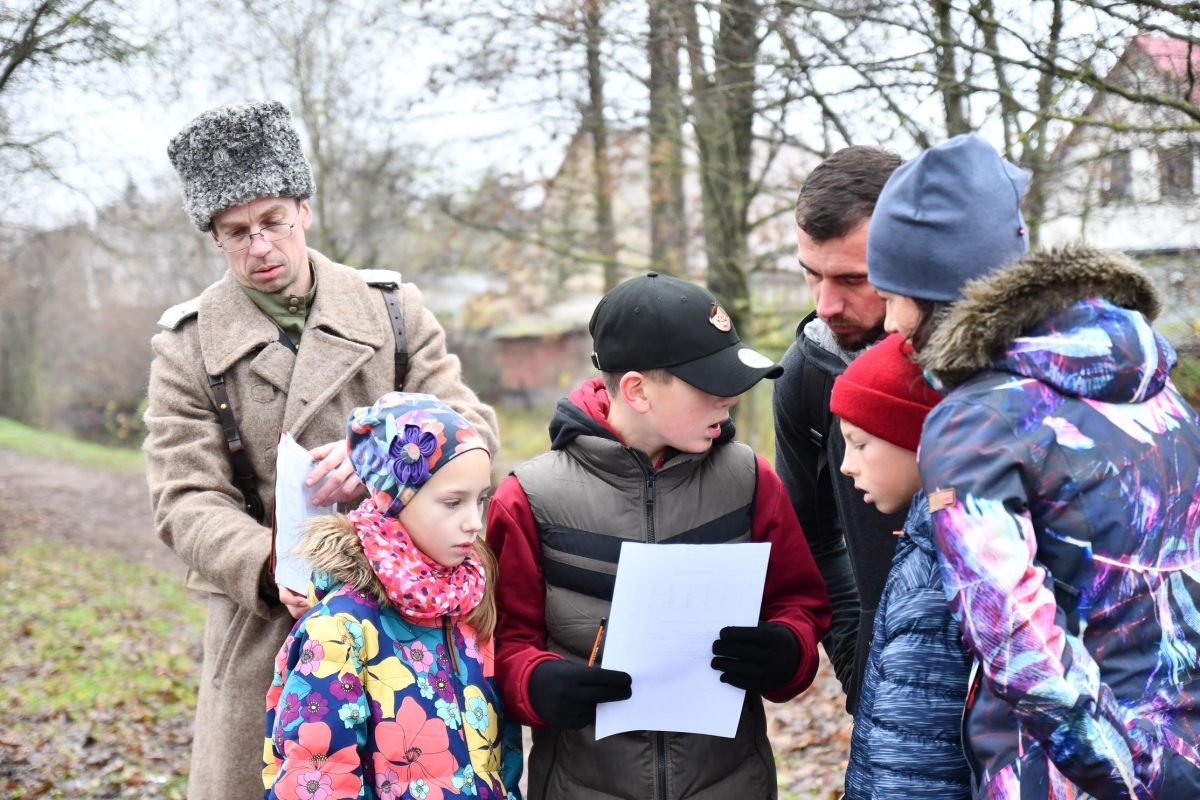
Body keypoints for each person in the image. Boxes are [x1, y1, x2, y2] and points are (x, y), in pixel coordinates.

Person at [143, 101, 498, 800]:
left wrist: (380, 456)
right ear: (214, 239)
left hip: (410, 628)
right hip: (270, 624)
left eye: (272, 222)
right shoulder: (187, 347)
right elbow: (184, 497)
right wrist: (264, 561)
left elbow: (470, 425)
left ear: (304, 210)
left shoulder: (393, 311)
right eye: (235, 232)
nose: (260, 247)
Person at [868, 132, 1200, 798]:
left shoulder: (976, 423)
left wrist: (1126, 772)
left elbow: (1018, 644)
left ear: (933, 291)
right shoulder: (1160, 393)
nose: (886, 323)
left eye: (890, 294)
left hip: (1075, 778)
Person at [488, 272, 831, 799]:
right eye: (710, 384)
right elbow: (499, 643)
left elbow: (799, 604)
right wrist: (534, 683)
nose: (731, 400)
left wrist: (789, 650)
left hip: (732, 784)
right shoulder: (527, 499)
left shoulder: (752, 481)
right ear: (637, 390)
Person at [263, 393, 521, 800]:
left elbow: (499, 761)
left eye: (480, 500)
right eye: (453, 502)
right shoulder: (339, 631)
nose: (474, 522)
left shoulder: (467, 608)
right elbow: (317, 782)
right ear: (392, 500)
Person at [773, 146, 906, 713]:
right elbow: (807, 537)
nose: (826, 305)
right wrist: (860, 660)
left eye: (853, 279)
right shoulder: (806, 371)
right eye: (812, 276)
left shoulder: (995, 368)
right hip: (889, 711)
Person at [829, 333, 971, 800]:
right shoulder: (930, 534)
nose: (847, 465)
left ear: (921, 440)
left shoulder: (933, 575)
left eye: (861, 443)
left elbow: (913, 764)